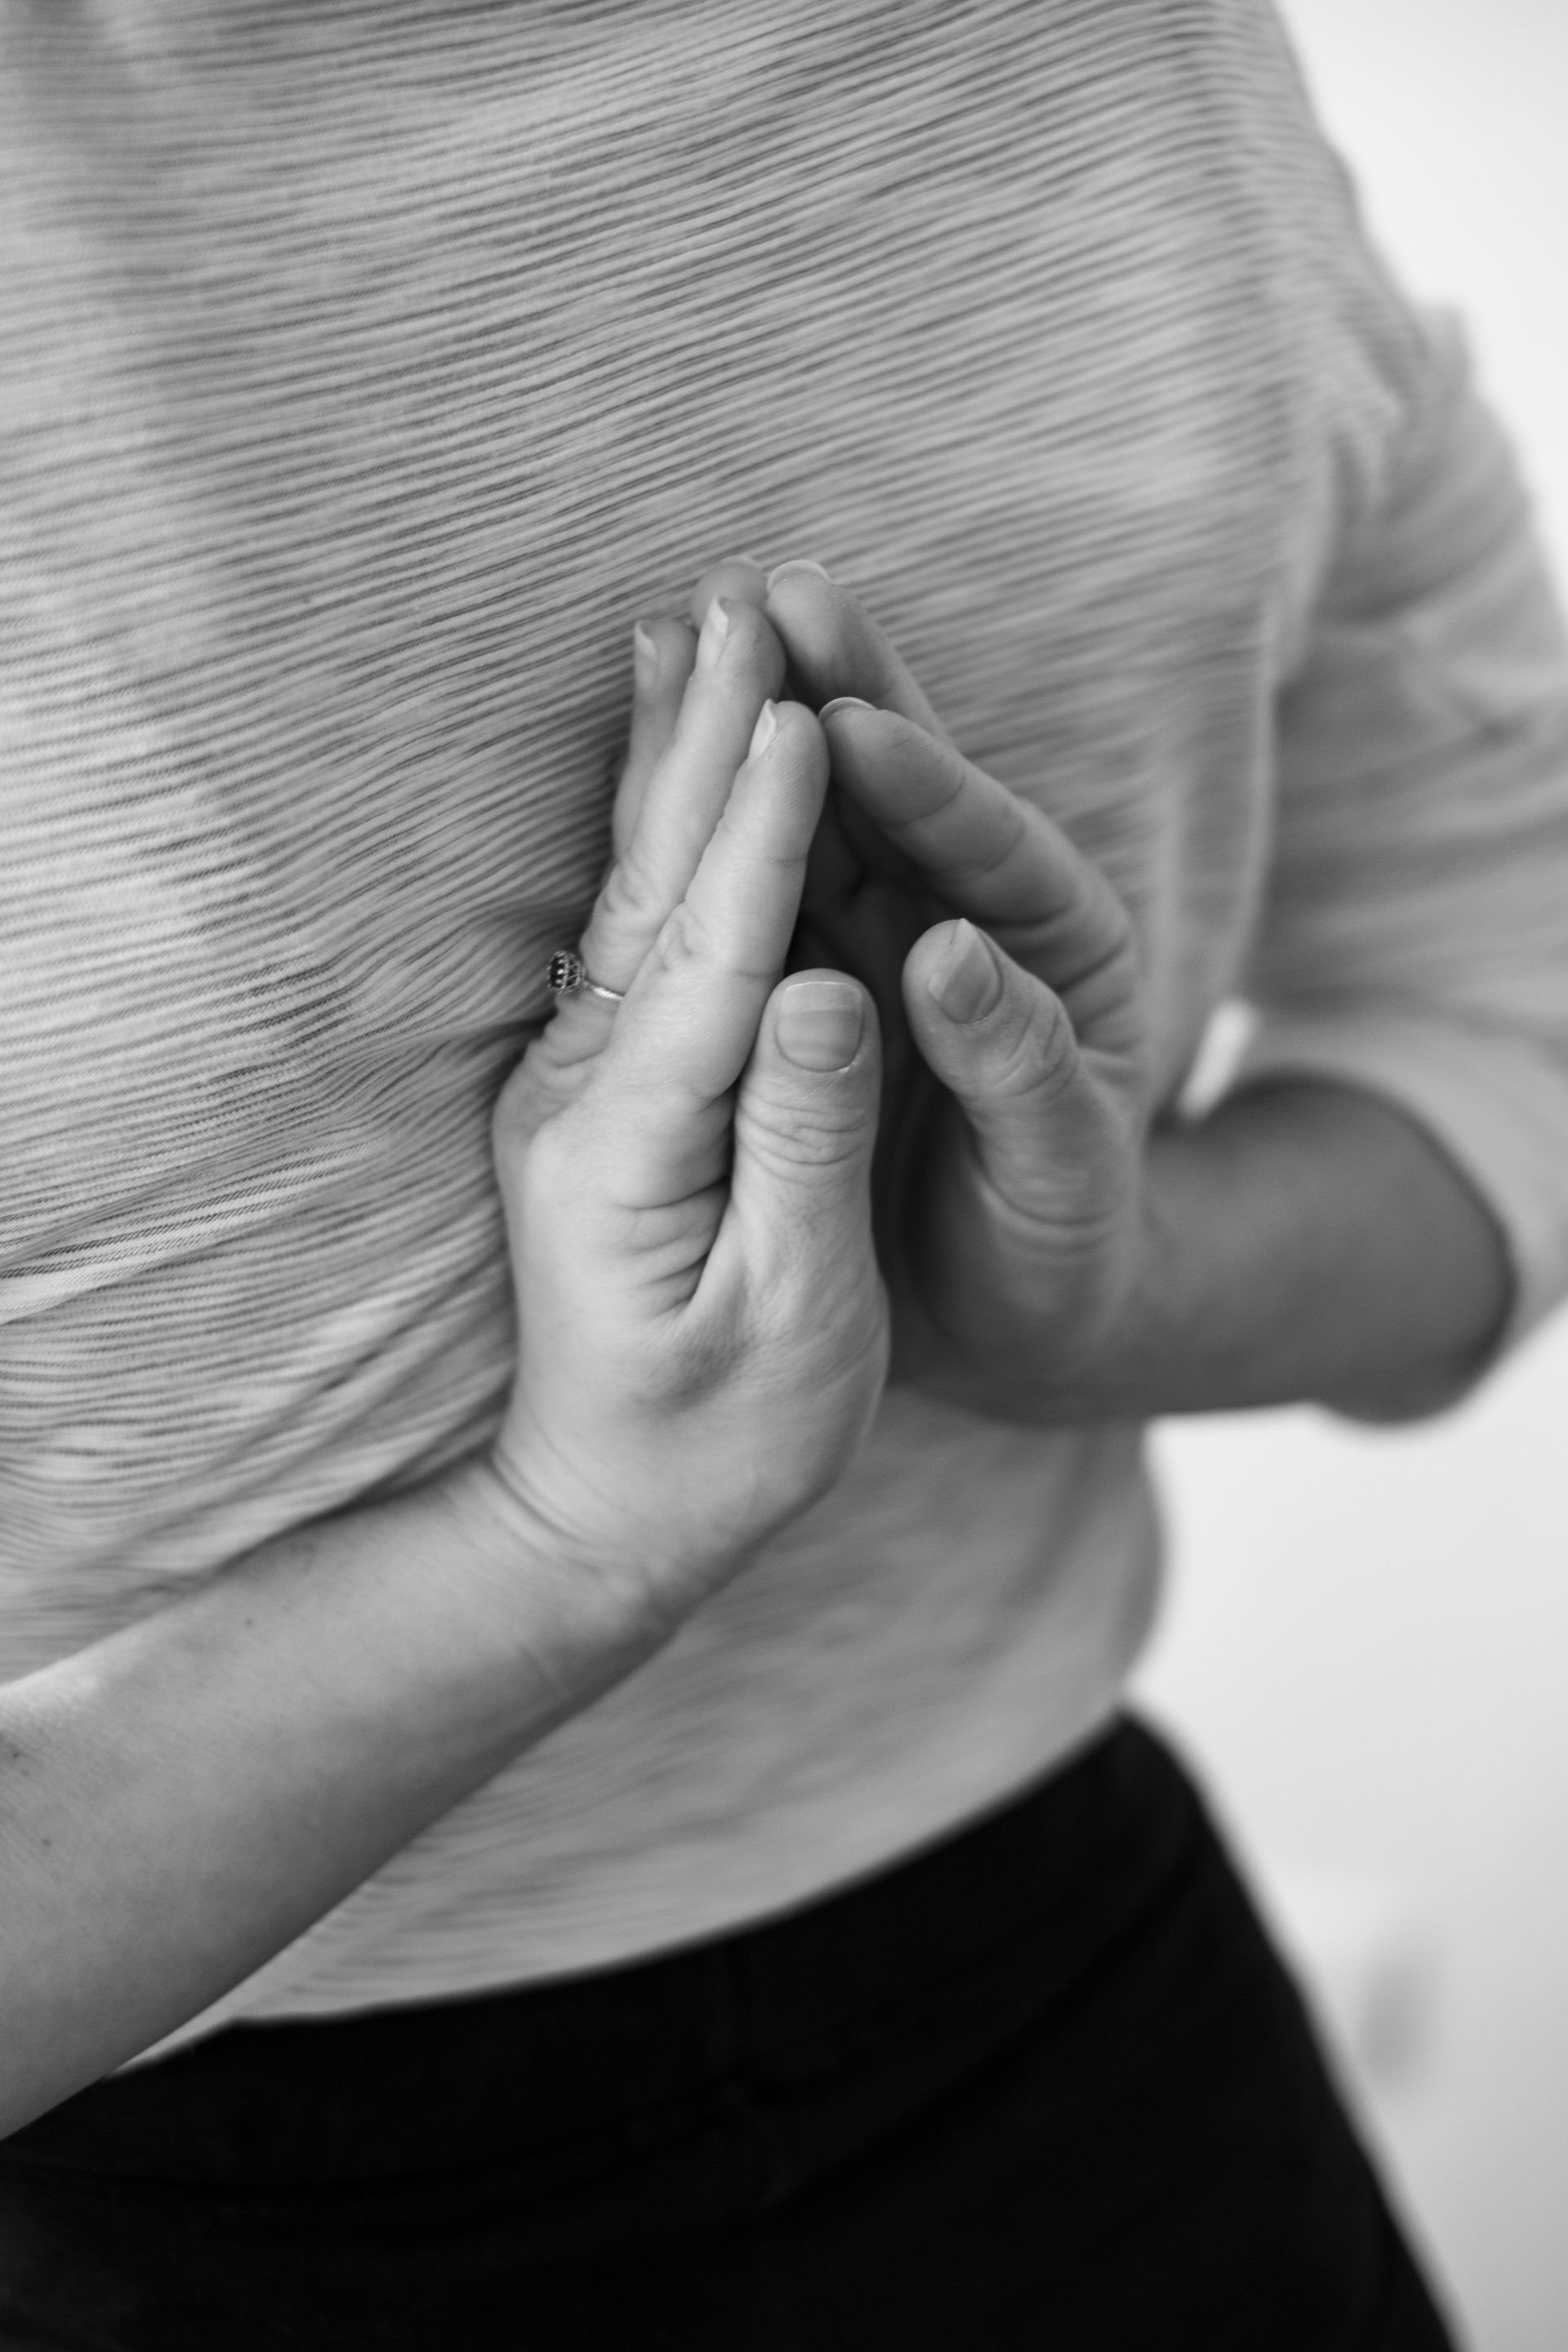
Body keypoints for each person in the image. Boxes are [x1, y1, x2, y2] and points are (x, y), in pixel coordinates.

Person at [2, 0, 1566, 2342]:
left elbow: (1506, 964)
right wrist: (563, 1545)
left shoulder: (1134, 59)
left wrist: (1114, 1282)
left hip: (1082, 2053)